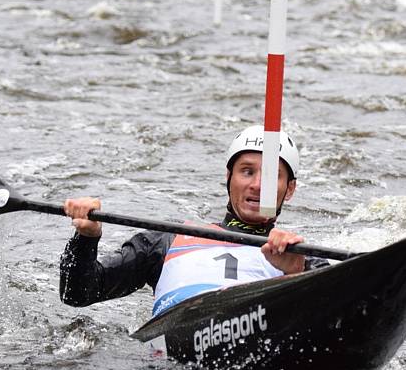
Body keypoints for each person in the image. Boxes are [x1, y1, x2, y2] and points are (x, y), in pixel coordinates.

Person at [59, 125, 327, 317]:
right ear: (228, 177)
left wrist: (297, 274)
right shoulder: (166, 240)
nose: (257, 185)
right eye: (247, 171)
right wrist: (86, 238)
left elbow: (338, 319)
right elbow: (77, 293)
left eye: (271, 176)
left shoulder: (303, 258)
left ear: (289, 189)